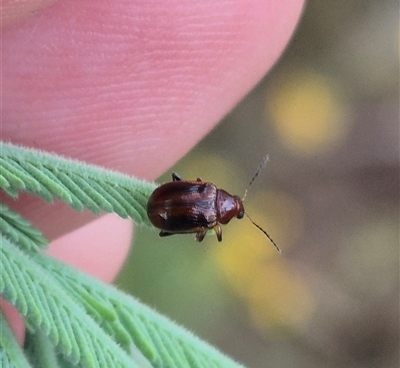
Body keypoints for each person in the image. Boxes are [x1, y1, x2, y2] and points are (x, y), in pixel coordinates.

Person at [1, 0, 304, 340]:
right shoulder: (210, 221)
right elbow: (193, 226)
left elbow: (188, 186)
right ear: (226, 213)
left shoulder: (208, 192)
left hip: (164, 202)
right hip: (161, 214)